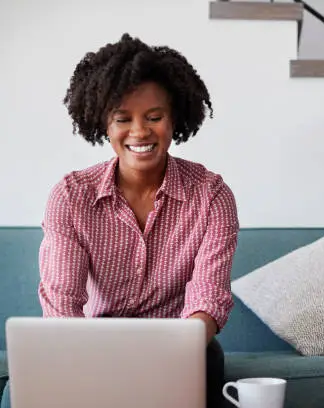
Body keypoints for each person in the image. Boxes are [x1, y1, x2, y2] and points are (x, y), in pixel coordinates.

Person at [0, 33, 239, 408]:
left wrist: (175, 349)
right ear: (103, 125)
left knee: (208, 359)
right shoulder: (71, 196)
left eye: (154, 117)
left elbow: (208, 296)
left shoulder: (212, 196)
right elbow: (63, 301)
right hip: (92, 345)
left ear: (174, 119)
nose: (140, 132)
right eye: (122, 119)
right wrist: (79, 358)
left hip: (181, 346)